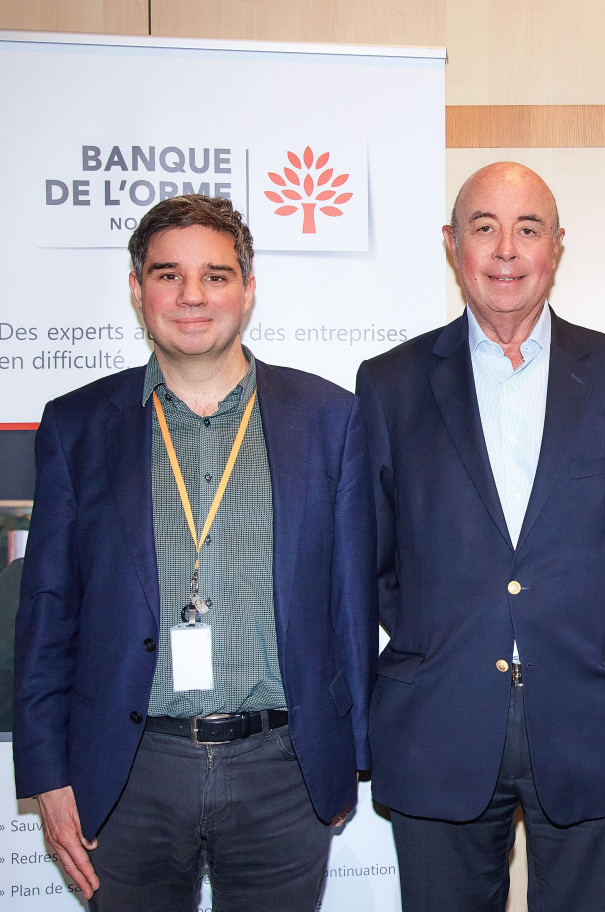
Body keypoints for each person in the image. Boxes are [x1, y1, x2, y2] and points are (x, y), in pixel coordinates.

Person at [13, 194, 377, 911]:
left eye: (215, 275)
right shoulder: (76, 426)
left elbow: (350, 603)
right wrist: (47, 773)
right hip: (127, 772)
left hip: (282, 770)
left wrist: (347, 756)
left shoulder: (329, 418)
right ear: (135, 287)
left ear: (246, 289)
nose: (191, 296)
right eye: (167, 274)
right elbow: (47, 611)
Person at [355, 161, 605, 912]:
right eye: (483, 227)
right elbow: (375, 556)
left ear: (557, 246)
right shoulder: (389, 384)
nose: (505, 249)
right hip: (440, 715)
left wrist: (560, 624)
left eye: (527, 229)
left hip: (588, 714)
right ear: (450, 244)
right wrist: (453, 629)